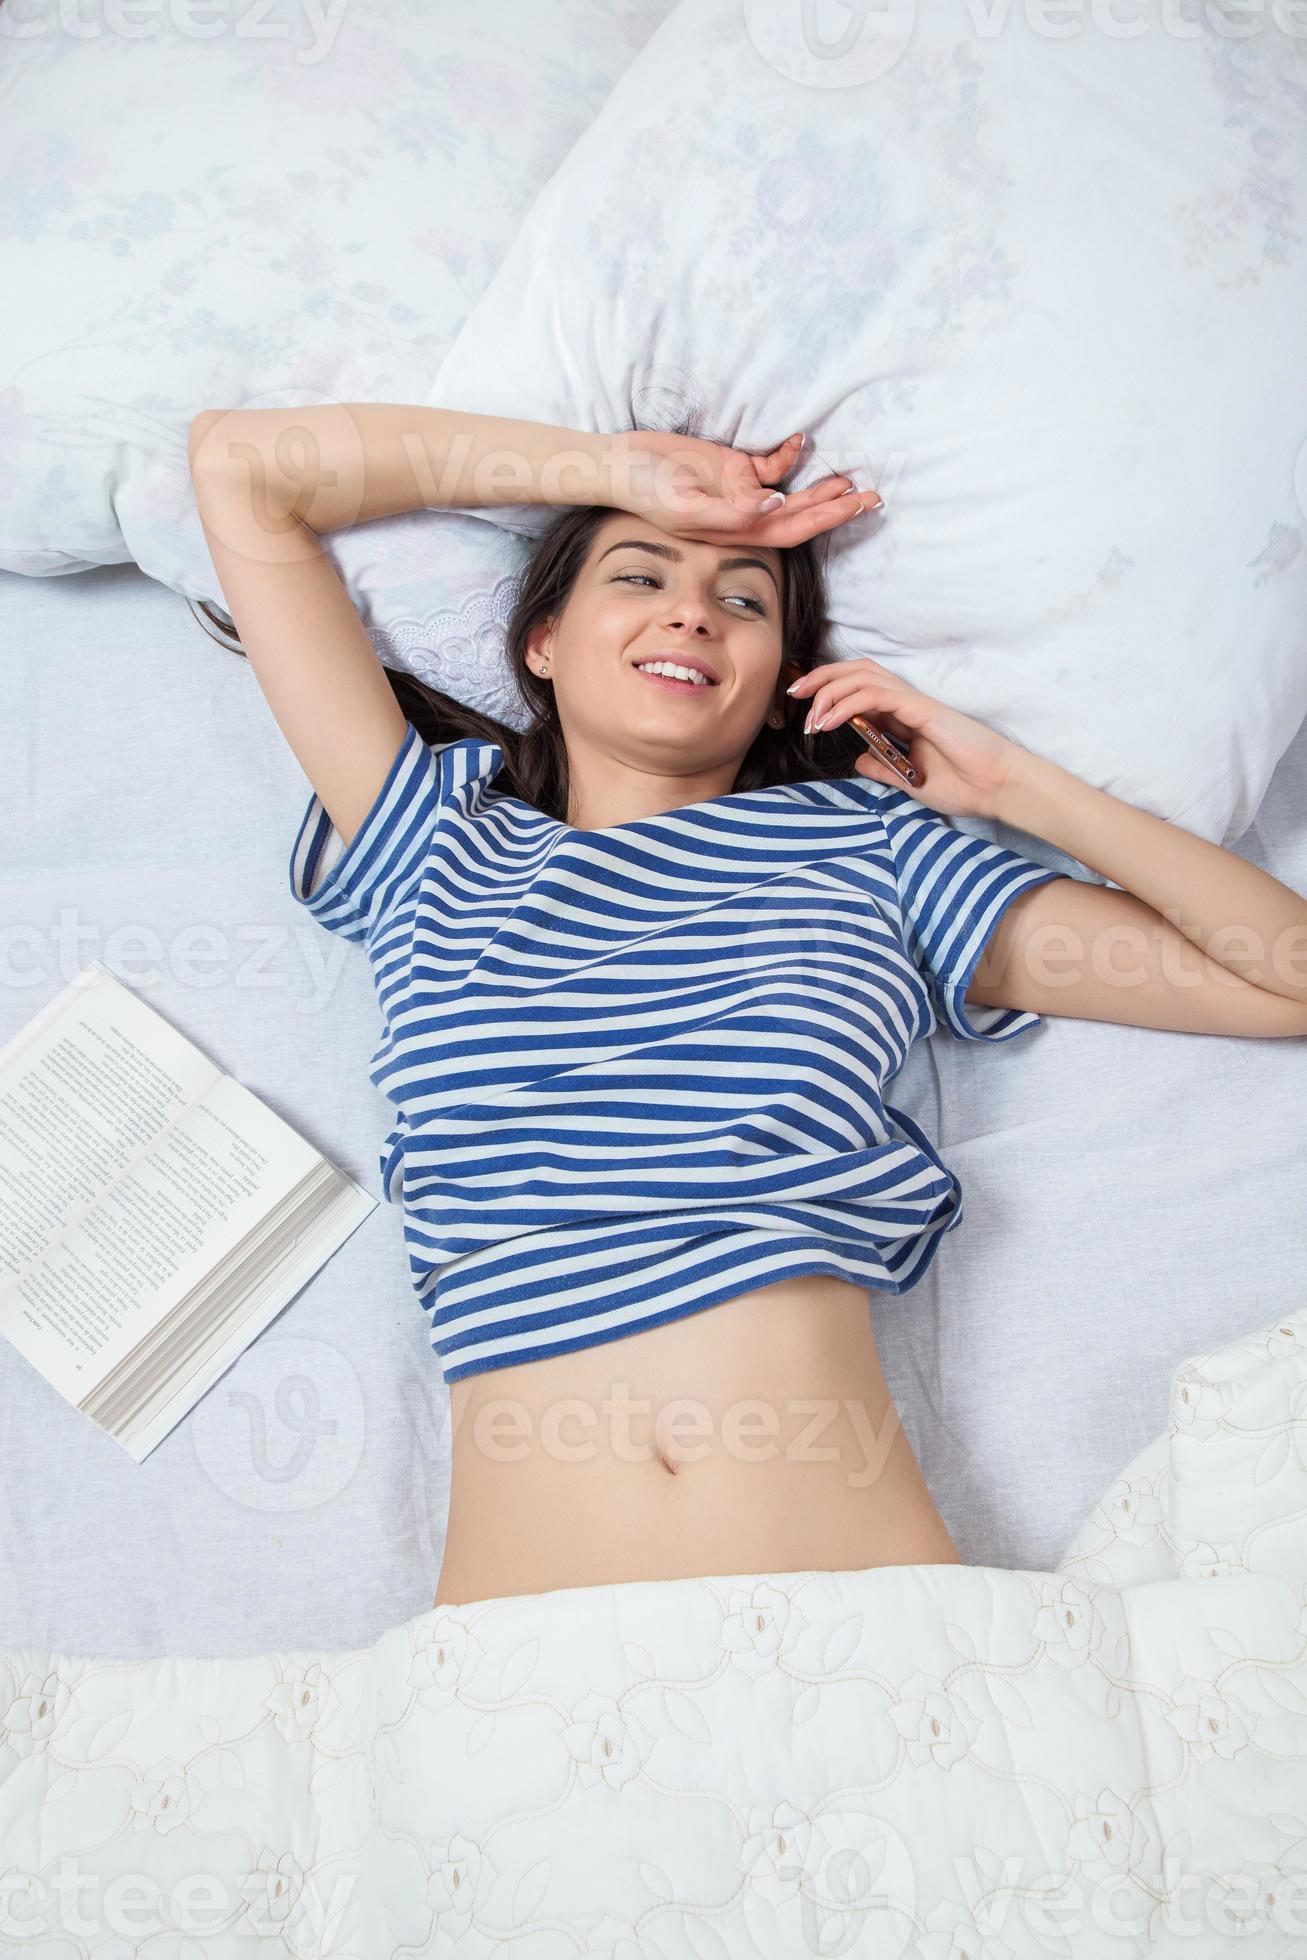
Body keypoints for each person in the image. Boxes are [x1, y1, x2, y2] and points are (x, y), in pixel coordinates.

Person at [188, 403, 1307, 1608]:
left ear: (782, 683)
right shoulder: (435, 842)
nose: (691, 610)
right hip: (524, 1658)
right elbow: (241, 472)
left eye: (744, 602)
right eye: (640, 574)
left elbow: (1279, 975)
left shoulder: (871, 855)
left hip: (854, 1619)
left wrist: (1012, 783)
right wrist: (622, 475)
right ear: (543, 642)